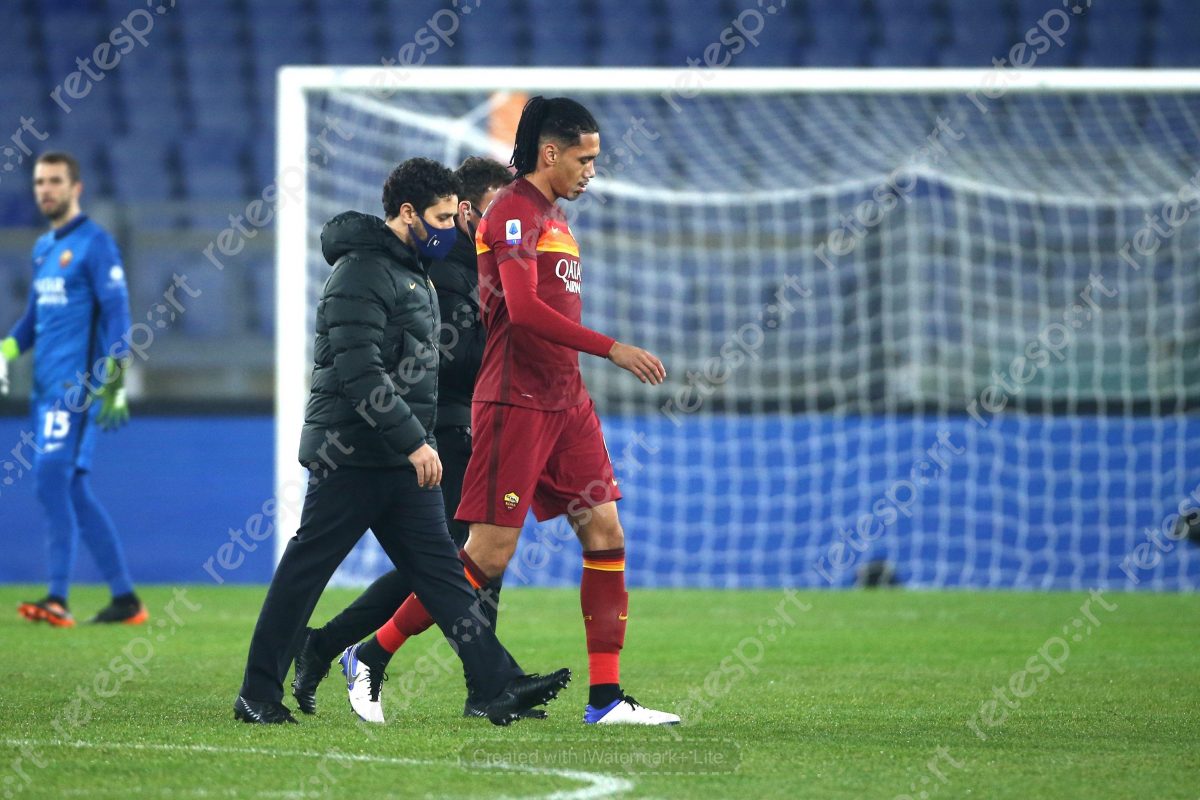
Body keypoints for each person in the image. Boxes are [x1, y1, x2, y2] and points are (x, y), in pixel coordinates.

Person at [346, 97, 680, 725]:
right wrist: (613, 348)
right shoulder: (512, 213)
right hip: (515, 402)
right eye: (584, 158)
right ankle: (370, 653)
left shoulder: (553, 215)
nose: (591, 171)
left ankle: (606, 698)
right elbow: (524, 312)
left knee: (606, 535)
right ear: (550, 153)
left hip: (566, 401)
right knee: (487, 557)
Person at [233, 157, 568, 725]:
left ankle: (496, 684)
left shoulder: (413, 272)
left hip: (400, 459)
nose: (450, 228)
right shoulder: (361, 272)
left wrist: (415, 443)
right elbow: (359, 372)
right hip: (353, 453)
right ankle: (258, 694)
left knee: (444, 575)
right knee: (305, 571)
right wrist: (417, 442)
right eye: (441, 217)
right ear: (407, 213)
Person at [288, 156, 520, 719]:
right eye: (499, 206)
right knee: (453, 558)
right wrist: (508, 332)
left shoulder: (477, 266)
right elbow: (441, 358)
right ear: (467, 211)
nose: (510, 219)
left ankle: (484, 687)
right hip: (441, 427)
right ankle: (474, 684)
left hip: (469, 422)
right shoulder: (446, 269)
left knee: (467, 554)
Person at [0, 151, 144, 628]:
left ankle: (57, 598)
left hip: (75, 389)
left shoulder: (96, 244)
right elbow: (32, 319)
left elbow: (118, 312)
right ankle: (125, 599)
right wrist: (6, 350)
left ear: (75, 187)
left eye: (55, 181)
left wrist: (116, 378)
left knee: (49, 480)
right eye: (40, 182)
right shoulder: (44, 248)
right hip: (44, 390)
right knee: (73, 490)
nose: (45, 189)